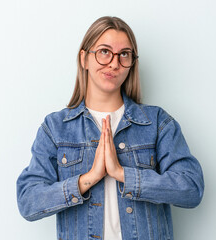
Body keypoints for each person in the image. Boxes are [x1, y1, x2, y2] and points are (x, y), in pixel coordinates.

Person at [16, 16, 204, 240]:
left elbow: (191, 188)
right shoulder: (55, 128)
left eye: (124, 54)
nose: (114, 63)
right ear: (84, 58)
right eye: (104, 51)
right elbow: (28, 201)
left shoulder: (157, 123)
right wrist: (89, 178)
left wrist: (123, 174)